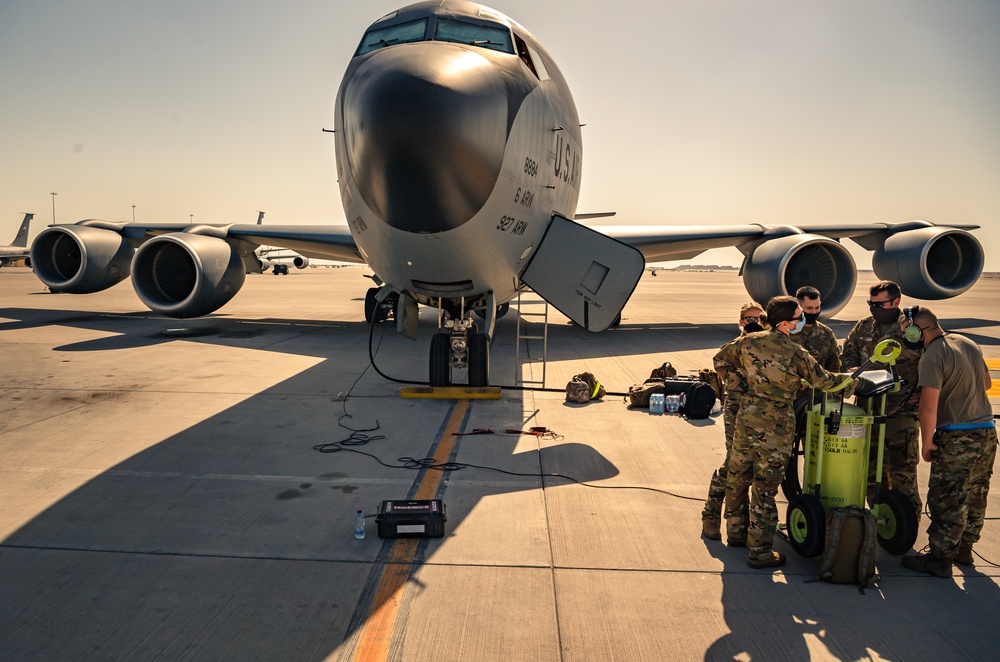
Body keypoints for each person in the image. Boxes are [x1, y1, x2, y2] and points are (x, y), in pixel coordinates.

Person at [725, 296, 852, 569]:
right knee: (765, 487)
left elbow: (721, 360)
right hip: (776, 424)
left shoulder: (748, 341)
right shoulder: (794, 351)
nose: (801, 322)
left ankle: (736, 532)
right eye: (798, 318)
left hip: (748, 416)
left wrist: (743, 383)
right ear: (784, 323)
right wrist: (853, 381)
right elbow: (824, 380)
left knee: (738, 475)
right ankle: (758, 551)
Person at [900, 306, 997, 577]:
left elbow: (928, 407)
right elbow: (986, 384)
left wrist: (927, 442)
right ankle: (965, 549)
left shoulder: (932, 355)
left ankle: (940, 559)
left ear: (916, 331)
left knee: (948, 498)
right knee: (976, 493)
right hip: (986, 431)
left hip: (956, 437)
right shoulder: (967, 342)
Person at [841, 280, 923, 521]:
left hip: (902, 411)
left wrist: (924, 390)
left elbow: (934, 361)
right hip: (868, 411)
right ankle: (878, 519)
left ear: (895, 302)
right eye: (871, 303)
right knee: (869, 470)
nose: (873, 308)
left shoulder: (912, 329)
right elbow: (847, 354)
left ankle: (907, 524)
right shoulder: (864, 327)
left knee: (903, 472)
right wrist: (852, 368)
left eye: (879, 304)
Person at [702, 302, 766, 541]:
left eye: (759, 318)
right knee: (733, 464)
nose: (754, 323)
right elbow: (721, 364)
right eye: (749, 319)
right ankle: (710, 514)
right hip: (738, 409)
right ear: (741, 322)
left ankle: (742, 522)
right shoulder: (734, 347)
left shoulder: (767, 346)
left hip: (761, 414)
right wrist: (744, 384)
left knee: (756, 468)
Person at [790, 286, 841, 372]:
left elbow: (834, 367)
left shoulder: (826, 333)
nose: (814, 312)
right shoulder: (786, 331)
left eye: (817, 308)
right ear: (798, 306)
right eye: (809, 308)